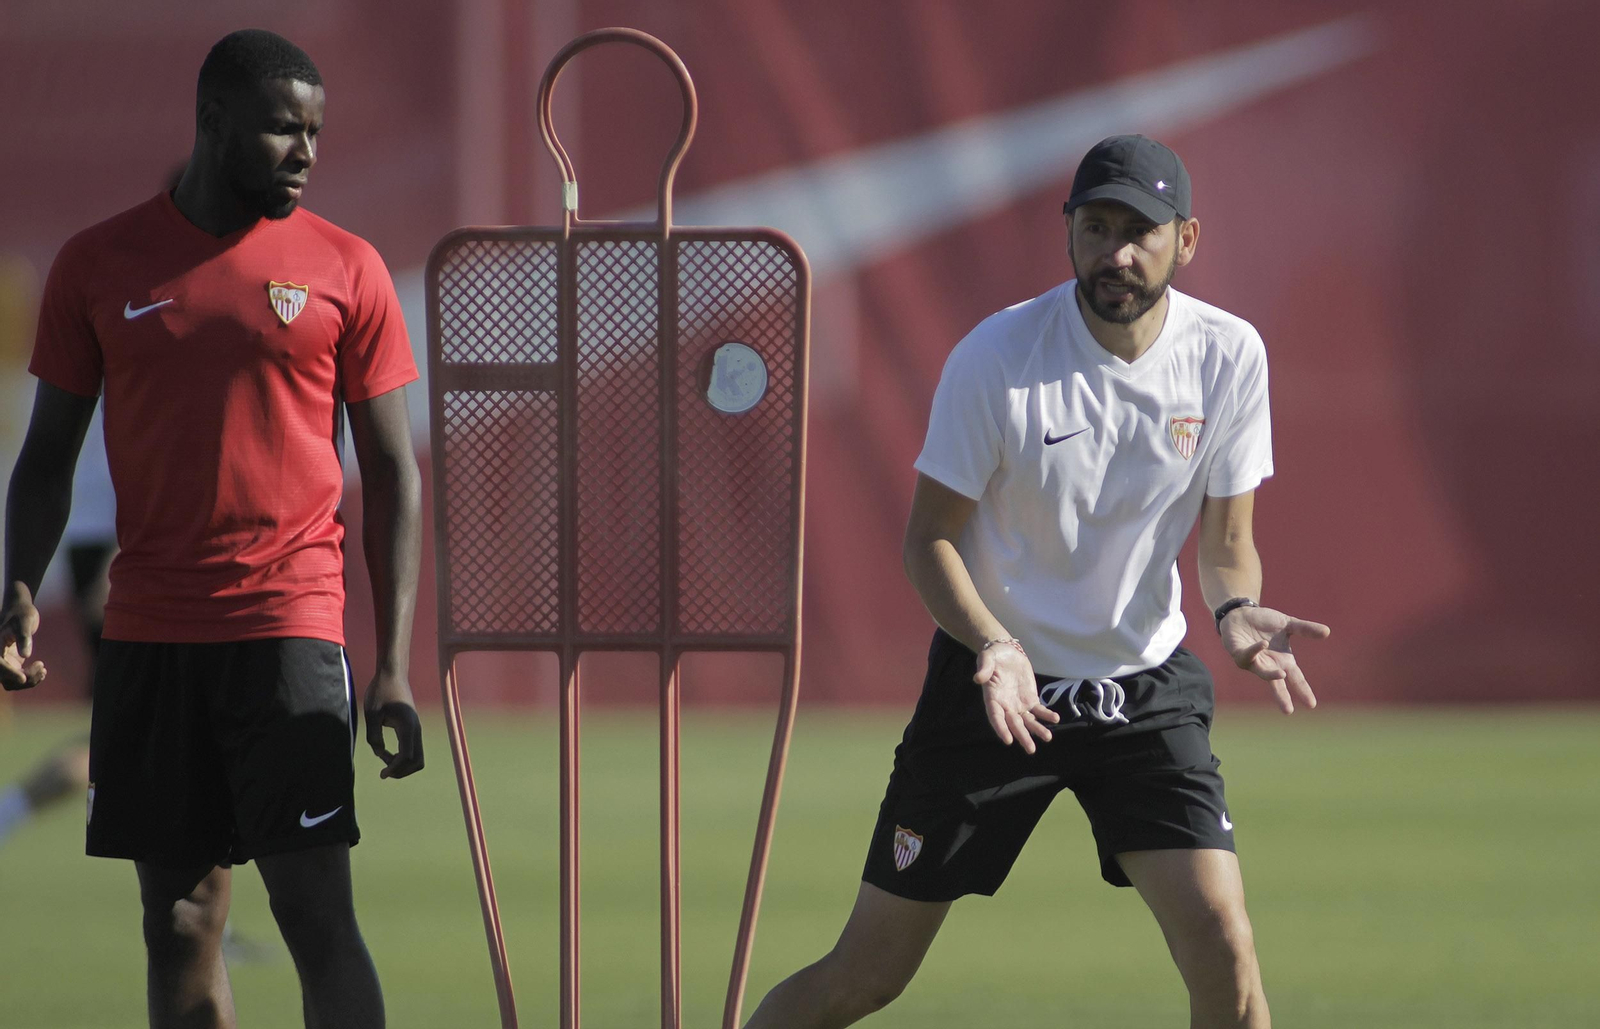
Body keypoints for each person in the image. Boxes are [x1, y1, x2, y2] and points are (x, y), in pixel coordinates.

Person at [745, 135, 1330, 1029]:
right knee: (866, 974)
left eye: (1141, 231)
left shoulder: (1228, 356)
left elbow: (1227, 542)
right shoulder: (999, 356)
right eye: (1097, 227)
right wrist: (996, 645)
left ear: (1188, 239)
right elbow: (928, 541)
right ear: (1069, 233)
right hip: (997, 690)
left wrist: (1236, 607)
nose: (1117, 253)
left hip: (1143, 690)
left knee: (1225, 945)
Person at [0, 28, 423, 1029]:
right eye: (283, 129)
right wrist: (18, 587)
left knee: (317, 911)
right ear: (215, 122)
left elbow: (394, 476)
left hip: (287, 631)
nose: (306, 152)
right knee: (181, 917)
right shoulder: (97, 264)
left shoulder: (345, 269)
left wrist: (394, 662)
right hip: (152, 638)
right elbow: (45, 456)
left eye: (315, 132)